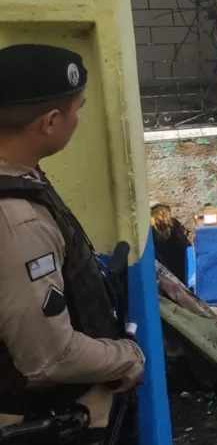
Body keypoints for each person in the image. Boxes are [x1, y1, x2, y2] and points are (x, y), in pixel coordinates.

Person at [0, 44, 145, 438]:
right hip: (43, 423)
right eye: (77, 109)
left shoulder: (22, 177)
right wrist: (126, 358)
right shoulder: (16, 219)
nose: (78, 118)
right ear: (50, 121)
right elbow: (51, 357)